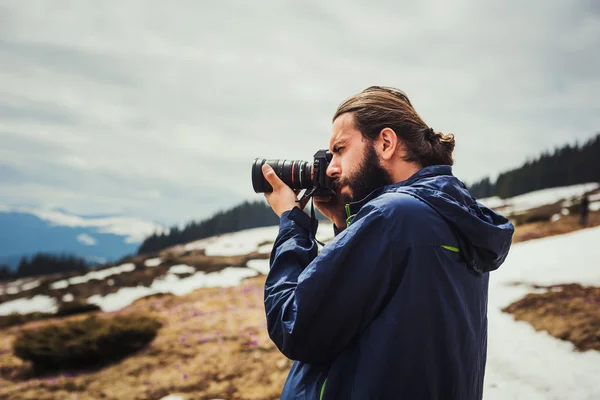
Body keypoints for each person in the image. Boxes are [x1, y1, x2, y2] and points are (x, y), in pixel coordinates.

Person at [261, 86, 514, 399]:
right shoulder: (448, 217)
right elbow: (383, 318)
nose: (330, 168)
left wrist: (291, 222)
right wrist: (344, 225)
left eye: (340, 150)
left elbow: (294, 325)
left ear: (385, 143)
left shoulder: (395, 216)